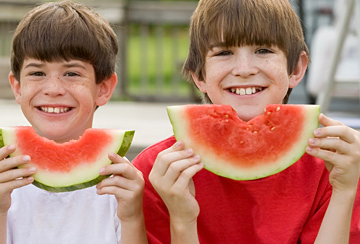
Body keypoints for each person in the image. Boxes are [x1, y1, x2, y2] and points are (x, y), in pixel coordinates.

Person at [132, 0, 360, 243]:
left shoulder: (335, 166)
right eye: (224, 53)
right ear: (199, 76)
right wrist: (182, 220)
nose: (244, 69)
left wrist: (344, 191)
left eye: (263, 50)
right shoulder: (157, 173)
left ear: (295, 68)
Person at [0, 1, 147, 243]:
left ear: (103, 88)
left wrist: (132, 217)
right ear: (17, 87)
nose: (53, 89)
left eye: (72, 73)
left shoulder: (122, 186)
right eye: (37, 73)